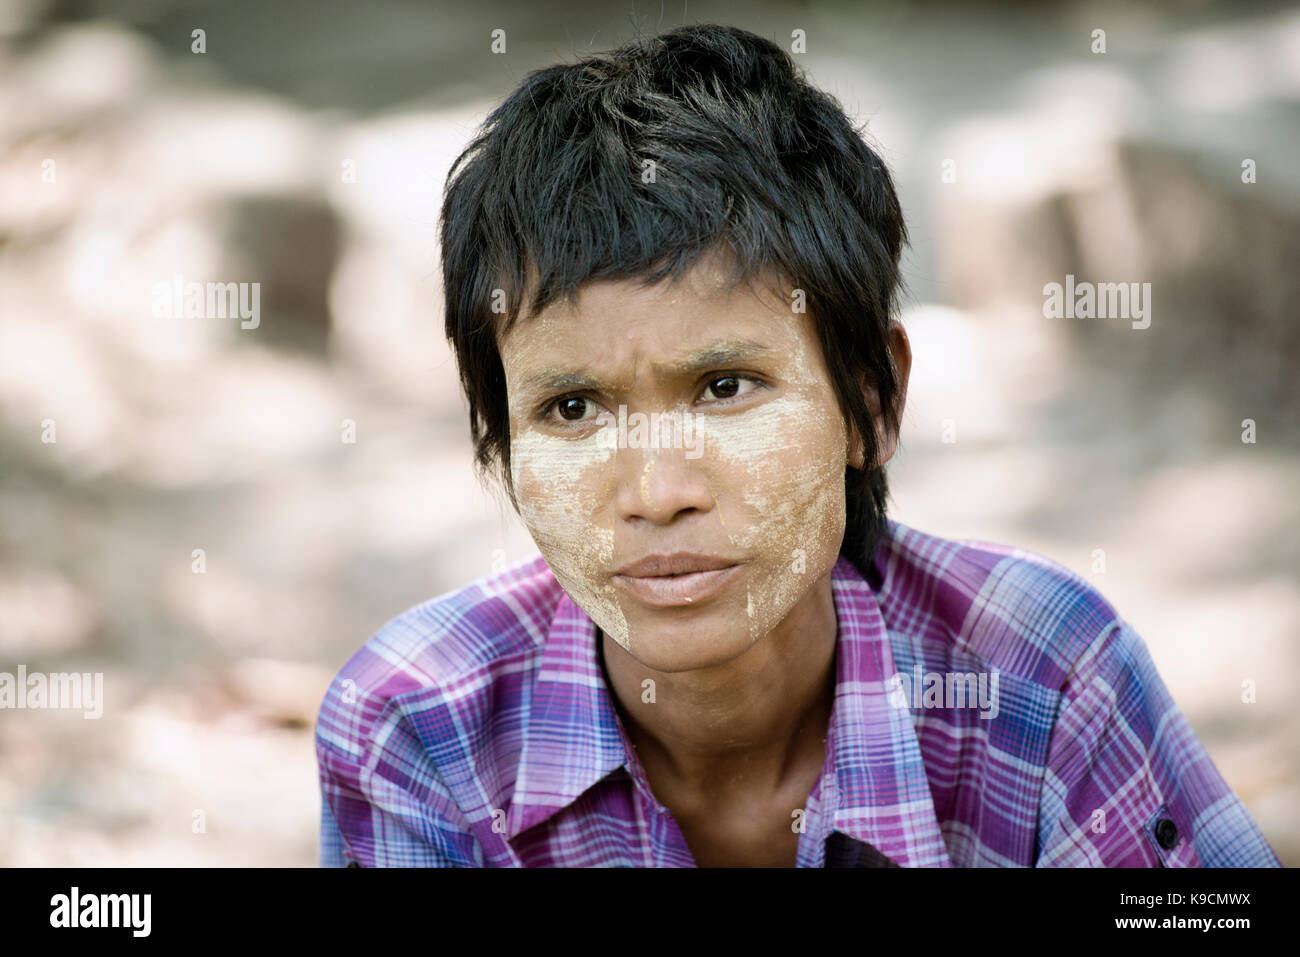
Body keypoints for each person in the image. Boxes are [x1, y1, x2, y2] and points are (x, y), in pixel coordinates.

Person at [314, 23, 1280, 867]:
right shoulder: (419, 729)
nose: (655, 492)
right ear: (503, 440)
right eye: (570, 408)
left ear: (871, 401)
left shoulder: (1047, 678)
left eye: (725, 387)